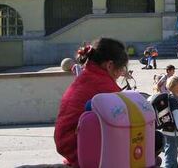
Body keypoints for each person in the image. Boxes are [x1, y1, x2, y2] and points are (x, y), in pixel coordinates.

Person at [54, 38, 128, 167]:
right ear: (109, 65)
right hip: (84, 151)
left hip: (70, 147)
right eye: (121, 68)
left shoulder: (87, 76)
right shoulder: (103, 85)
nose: (121, 73)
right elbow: (125, 112)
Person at [150, 75, 178, 168]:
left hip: (166, 131)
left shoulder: (168, 98)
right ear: (177, 88)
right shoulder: (173, 100)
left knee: (172, 155)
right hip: (172, 133)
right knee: (170, 156)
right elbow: (176, 116)